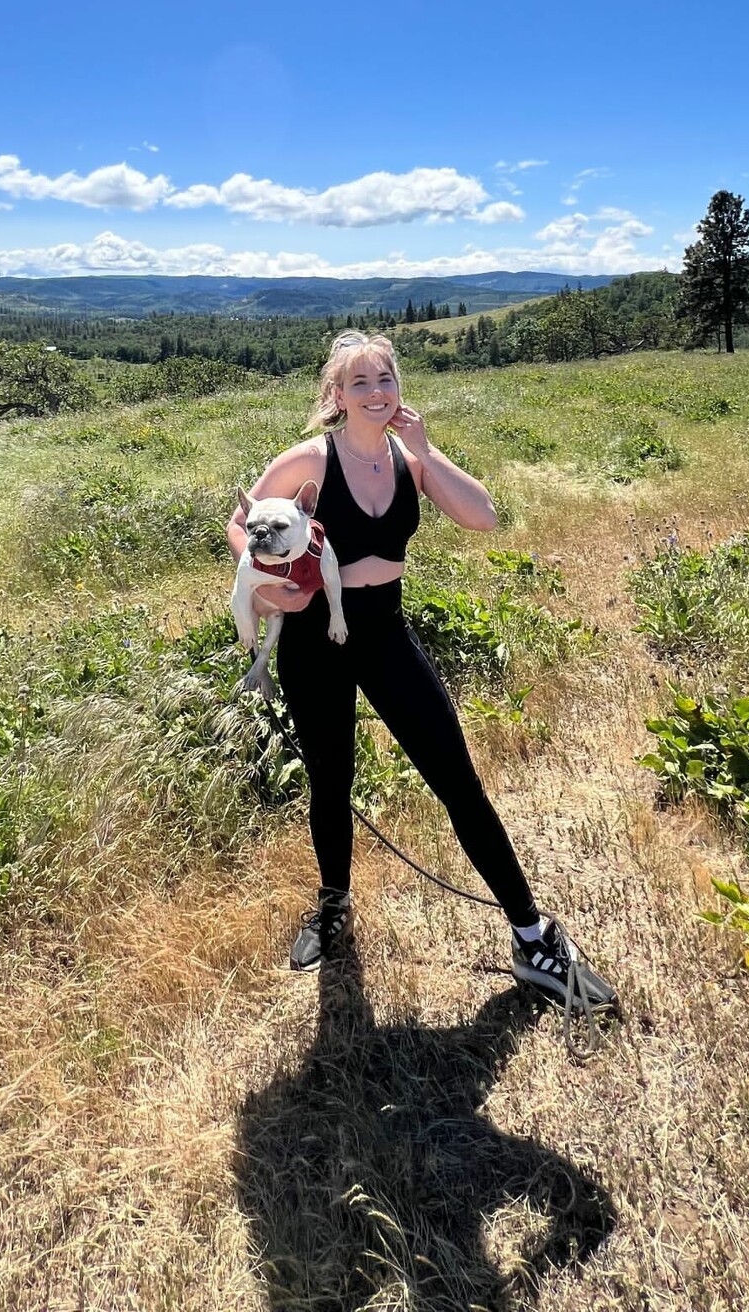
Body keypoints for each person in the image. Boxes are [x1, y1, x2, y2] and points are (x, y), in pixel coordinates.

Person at [225, 329, 618, 1014]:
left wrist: (428, 452)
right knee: (331, 782)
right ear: (336, 395)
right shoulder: (310, 458)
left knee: (458, 782)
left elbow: (483, 517)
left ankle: (531, 938)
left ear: (398, 388)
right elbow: (242, 522)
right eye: (359, 382)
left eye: (385, 379)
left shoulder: (411, 460)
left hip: (385, 632)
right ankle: (334, 905)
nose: (376, 392)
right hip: (315, 638)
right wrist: (270, 586)